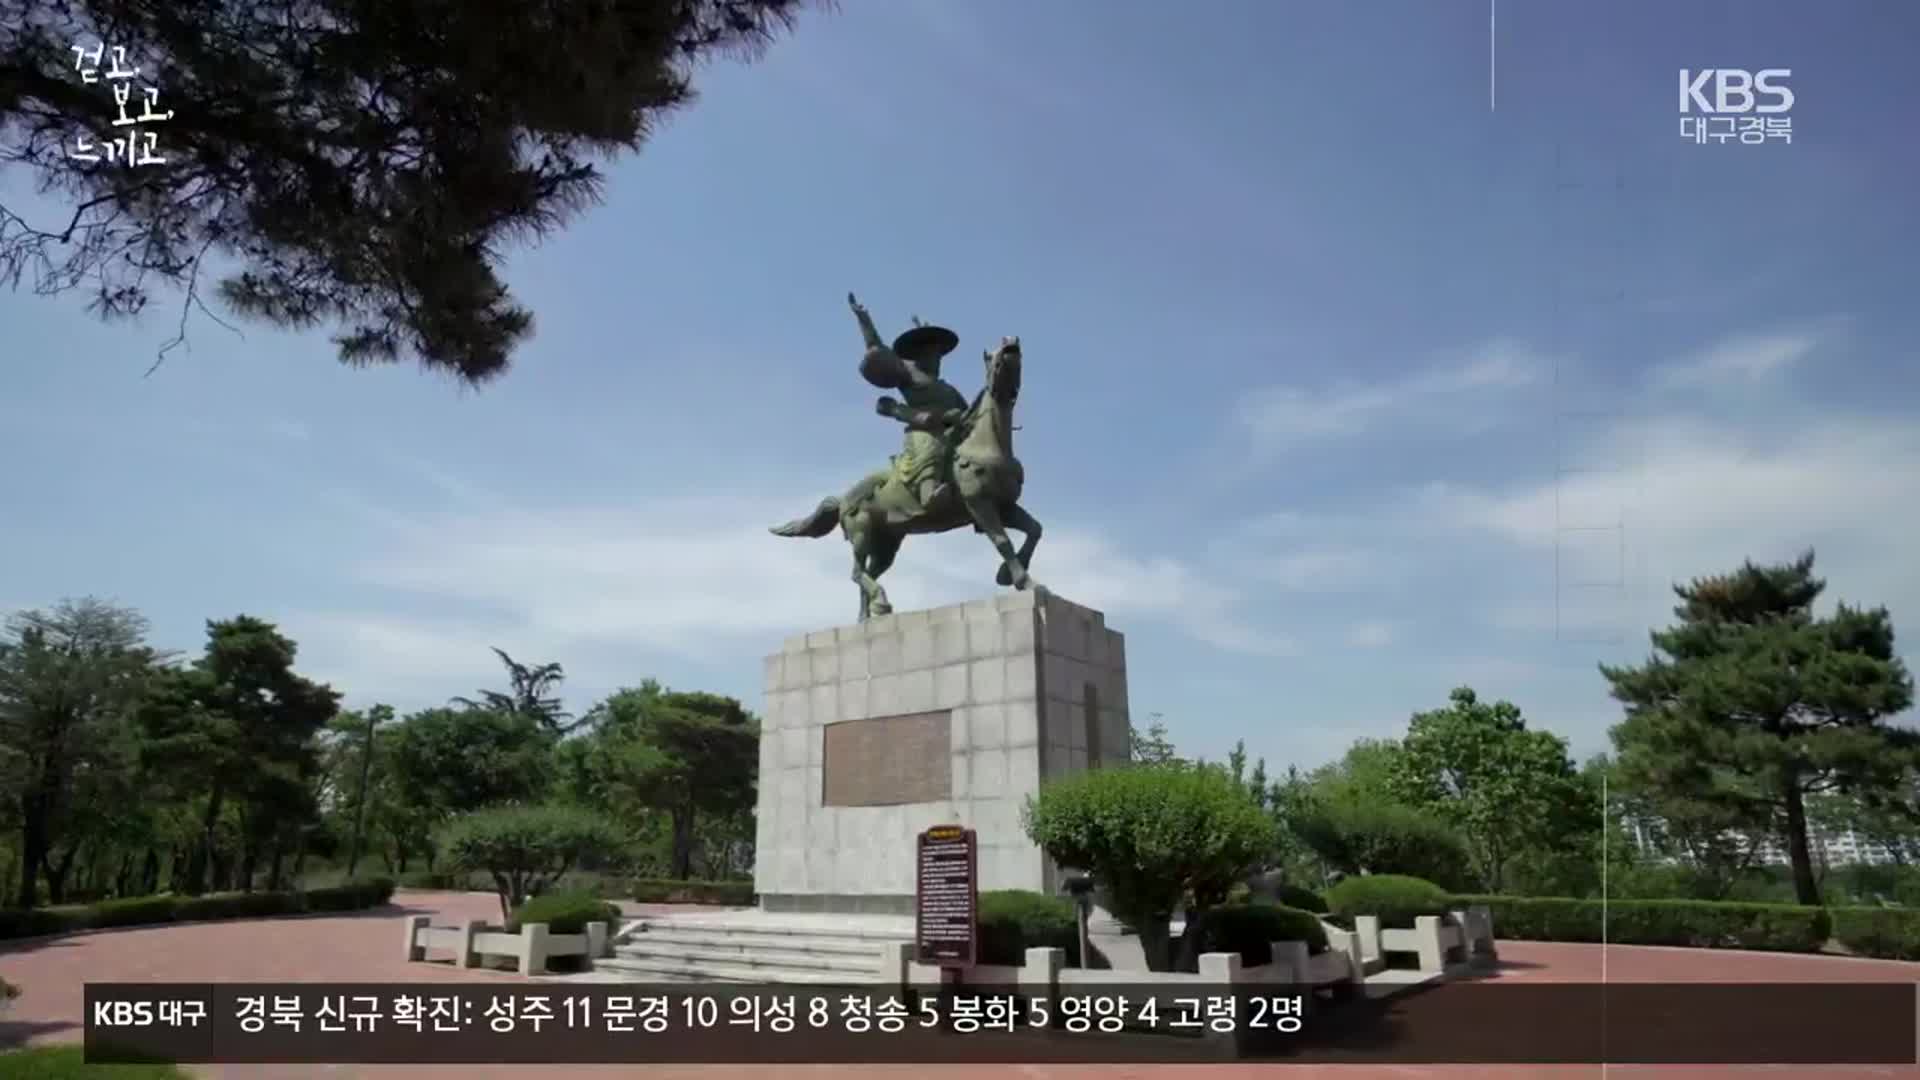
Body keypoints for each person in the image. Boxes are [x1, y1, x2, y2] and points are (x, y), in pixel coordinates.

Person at [849, 292, 970, 516]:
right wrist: (864, 320)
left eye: (939, 356)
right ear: (921, 354)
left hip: (952, 432)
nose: (937, 359)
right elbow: (877, 348)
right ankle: (928, 493)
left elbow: (969, 413)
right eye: (933, 354)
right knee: (931, 447)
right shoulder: (908, 372)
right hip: (923, 432)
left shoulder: (948, 388)